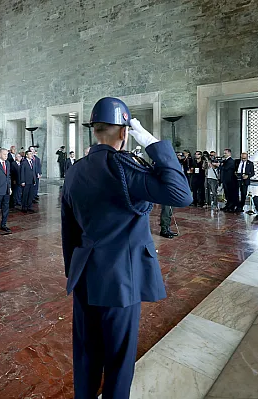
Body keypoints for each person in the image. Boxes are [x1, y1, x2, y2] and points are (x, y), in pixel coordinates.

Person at [62, 97, 192, 398]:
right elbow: (181, 194)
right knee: (119, 359)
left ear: (94, 131)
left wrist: (73, 272)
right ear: (124, 132)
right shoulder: (126, 171)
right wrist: (150, 141)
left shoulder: (75, 171)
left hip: (84, 276)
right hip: (121, 278)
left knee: (85, 354)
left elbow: (69, 230)